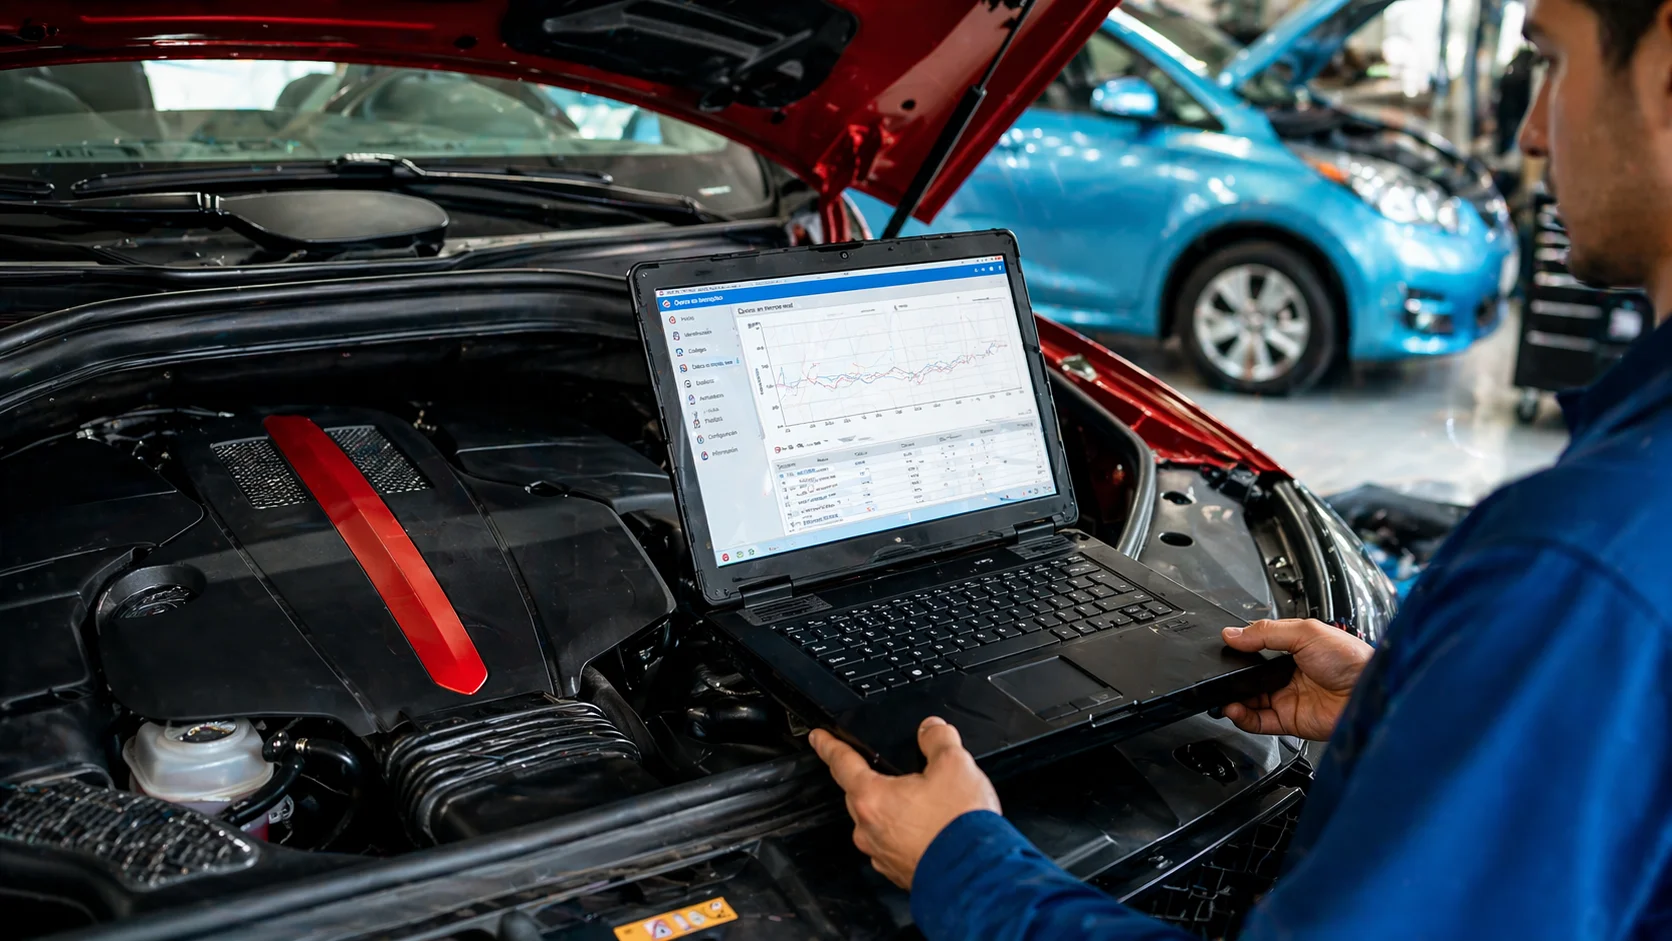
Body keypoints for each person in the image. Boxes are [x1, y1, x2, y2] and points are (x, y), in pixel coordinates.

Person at [809, 0, 1672, 937]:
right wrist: (1400, 706)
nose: (1537, 130)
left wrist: (960, 861)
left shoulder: (1580, 562)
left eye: (1550, 63)